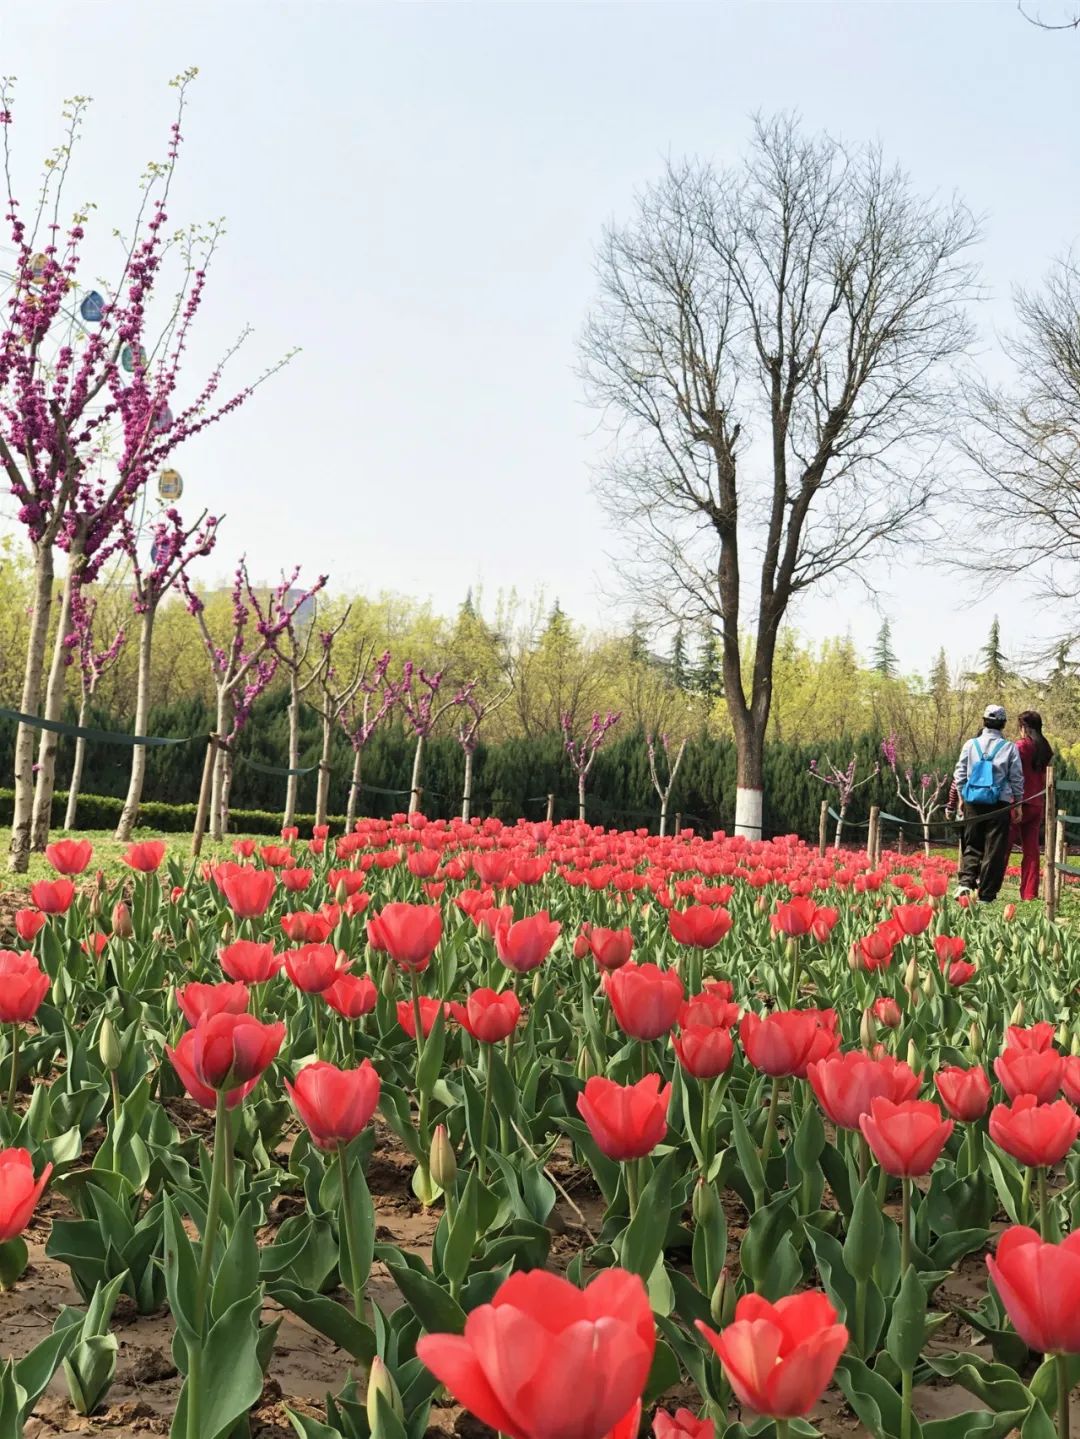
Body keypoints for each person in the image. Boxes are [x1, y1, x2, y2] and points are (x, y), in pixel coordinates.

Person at [953, 704, 1024, 902]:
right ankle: (986, 894)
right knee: (994, 849)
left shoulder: (970, 744)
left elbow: (959, 774)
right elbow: (1016, 777)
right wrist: (1017, 803)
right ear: (1003, 724)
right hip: (999, 803)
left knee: (971, 843)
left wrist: (961, 797)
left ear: (984, 721)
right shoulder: (1009, 747)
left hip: (972, 801)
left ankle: (965, 884)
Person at [1010, 709, 1053, 900]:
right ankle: (1029, 894)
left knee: (1003, 847)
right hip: (1036, 804)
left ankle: (990, 889)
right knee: (1032, 852)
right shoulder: (1045, 748)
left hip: (1017, 804)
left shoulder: (1019, 747)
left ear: (1024, 727)